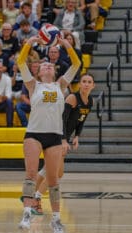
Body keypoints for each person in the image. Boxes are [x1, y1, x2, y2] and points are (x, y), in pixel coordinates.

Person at [17, 35, 81, 233]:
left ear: (54, 71)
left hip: (54, 136)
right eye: (43, 65)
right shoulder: (32, 85)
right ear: (38, 70)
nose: (46, 67)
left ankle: (56, 220)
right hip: (34, 134)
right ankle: (27, 213)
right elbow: (20, 61)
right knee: (31, 174)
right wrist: (30, 42)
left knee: (53, 181)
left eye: (49, 66)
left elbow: (77, 63)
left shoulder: (60, 86)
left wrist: (65, 44)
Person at [32, 73, 95, 215]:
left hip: (62, 136)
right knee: (55, 173)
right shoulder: (72, 98)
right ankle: (36, 200)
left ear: (93, 85)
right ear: (79, 84)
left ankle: (29, 195)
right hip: (56, 133)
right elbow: (62, 119)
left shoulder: (90, 101)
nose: (86, 84)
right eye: (83, 81)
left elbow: (81, 120)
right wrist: (64, 139)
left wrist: (77, 136)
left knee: (52, 170)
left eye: (89, 82)